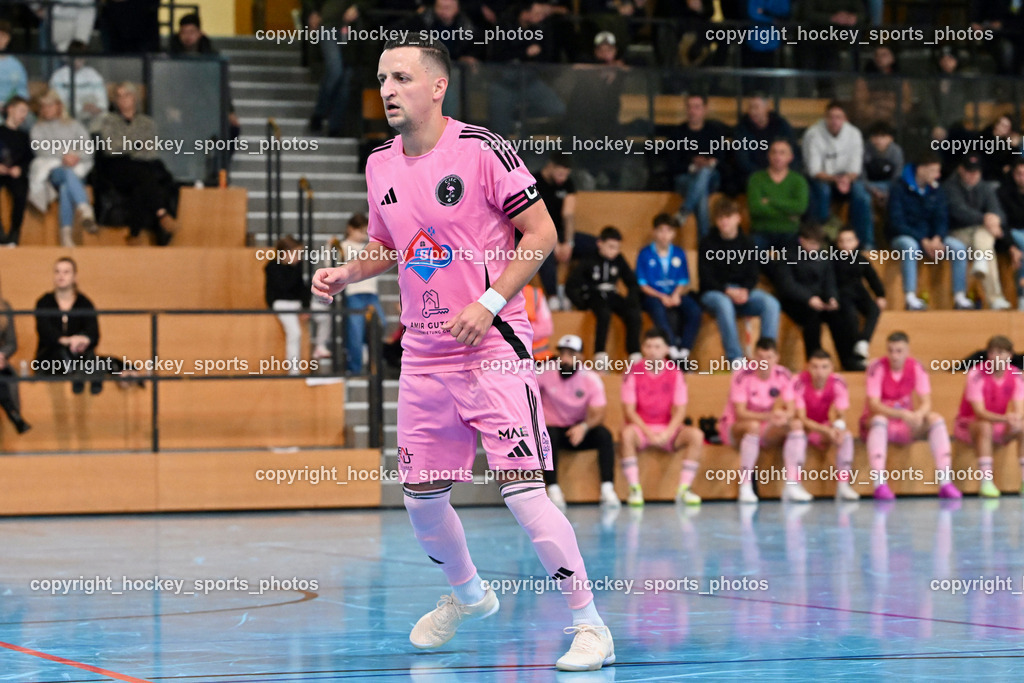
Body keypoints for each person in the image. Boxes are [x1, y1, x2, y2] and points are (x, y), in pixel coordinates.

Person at [309, 37, 614, 671]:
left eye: (401, 77)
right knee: (420, 499)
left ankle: (589, 624)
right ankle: (468, 596)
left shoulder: (481, 150)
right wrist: (349, 272)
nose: (388, 89)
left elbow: (544, 234)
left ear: (437, 86)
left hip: (491, 349)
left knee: (525, 493)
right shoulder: (378, 164)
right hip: (423, 355)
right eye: (381, 78)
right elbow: (389, 246)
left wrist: (492, 302)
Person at [861, 331, 962, 500]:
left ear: (908, 350)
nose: (894, 355)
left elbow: (926, 401)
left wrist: (919, 415)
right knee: (879, 420)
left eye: (899, 351)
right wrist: (900, 413)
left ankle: (945, 482)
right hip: (880, 422)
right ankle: (879, 483)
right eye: (891, 350)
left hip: (905, 424)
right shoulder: (876, 367)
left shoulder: (916, 366)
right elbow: (874, 404)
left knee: (935, 419)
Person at [719, 337, 811, 503]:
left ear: (777, 358)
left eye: (768, 357)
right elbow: (741, 413)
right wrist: (769, 416)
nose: (764, 362)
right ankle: (745, 486)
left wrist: (783, 416)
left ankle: (792, 484)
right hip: (735, 427)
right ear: (754, 357)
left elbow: (791, 408)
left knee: (796, 425)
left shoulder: (783, 374)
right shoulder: (741, 375)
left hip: (766, 427)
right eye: (760, 357)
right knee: (753, 426)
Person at [620, 328, 703, 507]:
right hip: (641, 429)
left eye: (657, 346)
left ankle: (684, 489)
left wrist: (667, 433)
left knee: (696, 436)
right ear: (642, 348)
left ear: (666, 349)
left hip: (667, 428)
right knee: (626, 434)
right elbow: (629, 411)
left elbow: (680, 410)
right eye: (648, 346)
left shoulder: (675, 373)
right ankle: (634, 489)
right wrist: (648, 433)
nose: (652, 351)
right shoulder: (633, 372)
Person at [537, 334, 619, 511]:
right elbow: (526, 392)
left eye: (571, 354)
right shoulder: (546, 371)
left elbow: (599, 413)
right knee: (547, 435)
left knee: (604, 435)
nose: (566, 359)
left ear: (581, 357)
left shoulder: (590, 379)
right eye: (563, 353)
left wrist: (583, 427)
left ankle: (607, 489)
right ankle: (553, 488)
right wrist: (539, 420)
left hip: (578, 430)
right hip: (553, 431)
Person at [92, 82, 179, 245]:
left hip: (142, 166)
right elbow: (111, 148)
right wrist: (137, 145)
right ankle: (162, 214)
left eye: (127, 95)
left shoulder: (147, 123)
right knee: (144, 175)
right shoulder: (109, 121)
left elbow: (151, 151)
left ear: (135, 98)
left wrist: (128, 146)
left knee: (142, 183)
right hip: (116, 166)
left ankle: (134, 234)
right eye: (119, 96)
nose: (123, 99)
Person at [767, 222, 860, 370]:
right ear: (802, 240)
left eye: (817, 244)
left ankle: (848, 360)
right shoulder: (788, 255)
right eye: (811, 244)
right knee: (812, 319)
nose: (815, 248)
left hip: (819, 299)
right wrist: (808, 298)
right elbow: (787, 285)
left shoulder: (823, 256)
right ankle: (814, 362)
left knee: (838, 316)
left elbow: (830, 282)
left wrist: (832, 298)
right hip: (795, 301)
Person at [698, 198, 780, 363]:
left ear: (738, 218)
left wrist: (746, 290)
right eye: (720, 218)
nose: (724, 221)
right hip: (715, 293)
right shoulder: (707, 243)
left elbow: (753, 273)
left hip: (742, 292)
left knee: (770, 303)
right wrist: (727, 291)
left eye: (728, 217)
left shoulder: (748, 242)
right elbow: (706, 278)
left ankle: (766, 353)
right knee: (723, 303)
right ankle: (735, 358)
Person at [888, 153, 972, 311]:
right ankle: (910, 296)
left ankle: (960, 296)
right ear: (921, 169)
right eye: (934, 170)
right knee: (910, 247)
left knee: (958, 248)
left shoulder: (936, 189)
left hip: (932, 238)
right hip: (905, 236)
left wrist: (937, 238)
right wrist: (922, 240)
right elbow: (896, 222)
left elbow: (942, 217)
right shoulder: (899, 187)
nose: (937, 175)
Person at [953, 335, 1024, 498]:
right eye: (992, 353)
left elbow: (1019, 408)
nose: (995, 357)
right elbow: (979, 412)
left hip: (997, 423)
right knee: (984, 425)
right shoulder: (975, 374)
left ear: (1010, 356)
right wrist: (1007, 418)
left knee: (1022, 426)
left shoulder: (1017, 375)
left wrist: (1015, 418)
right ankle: (986, 482)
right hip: (968, 424)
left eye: (1000, 353)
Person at [802, 102, 875, 248]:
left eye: (838, 117)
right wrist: (835, 179)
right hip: (821, 178)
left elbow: (855, 169)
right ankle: (820, 241)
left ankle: (864, 243)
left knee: (862, 196)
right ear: (825, 118)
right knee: (823, 192)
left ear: (845, 119)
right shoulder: (813, 133)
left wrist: (845, 179)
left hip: (847, 178)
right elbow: (814, 170)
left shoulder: (854, 134)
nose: (834, 121)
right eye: (831, 117)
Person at [944, 153, 1012, 310]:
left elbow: (998, 212)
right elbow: (958, 212)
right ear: (961, 170)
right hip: (957, 232)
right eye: (969, 171)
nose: (972, 175)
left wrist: (994, 220)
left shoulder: (985, 187)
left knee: (986, 241)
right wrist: (986, 218)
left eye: (975, 172)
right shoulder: (950, 186)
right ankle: (995, 297)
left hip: (980, 233)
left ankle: (981, 259)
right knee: (987, 244)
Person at [28, 89, 95, 249]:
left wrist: (76, 155)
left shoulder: (74, 125)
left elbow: (88, 147)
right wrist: (64, 156)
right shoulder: (38, 128)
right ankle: (84, 208)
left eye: (49, 105)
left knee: (66, 187)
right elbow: (40, 150)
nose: (46, 110)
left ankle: (66, 236)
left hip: (77, 166)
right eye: (43, 106)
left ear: (58, 106)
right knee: (65, 173)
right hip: (54, 170)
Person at [566, 226, 642, 364]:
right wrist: (581, 303)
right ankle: (600, 354)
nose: (614, 251)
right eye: (611, 247)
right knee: (603, 313)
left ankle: (634, 353)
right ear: (600, 243)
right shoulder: (589, 258)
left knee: (633, 313)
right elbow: (571, 284)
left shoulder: (618, 259)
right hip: (594, 295)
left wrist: (631, 299)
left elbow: (632, 282)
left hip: (612, 294)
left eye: (617, 248)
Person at [793, 350, 859, 500]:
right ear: (807, 367)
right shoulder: (799, 382)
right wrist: (826, 430)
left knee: (845, 436)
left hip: (821, 427)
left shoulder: (838, 382)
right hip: (804, 429)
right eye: (815, 367)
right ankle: (794, 483)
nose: (819, 372)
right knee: (796, 429)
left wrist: (838, 428)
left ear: (831, 368)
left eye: (824, 367)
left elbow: (841, 413)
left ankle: (843, 484)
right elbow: (801, 418)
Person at [533, 152, 596, 310]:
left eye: (566, 174)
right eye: (560, 173)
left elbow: (568, 215)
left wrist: (569, 243)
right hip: (536, 233)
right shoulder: (533, 182)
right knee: (543, 250)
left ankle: (571, 289)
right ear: (550, 166)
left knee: (598, 246)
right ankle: (553, 295)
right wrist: (554, 245)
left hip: (560, 232)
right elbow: (536, 217)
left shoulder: (567, 184)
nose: (563, 178)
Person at [635, 213, 701, 363]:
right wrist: (661, 296)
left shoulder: (679, 253)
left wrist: (676, 294)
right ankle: (671, 348)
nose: (664, 235)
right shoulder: (644, 254)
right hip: (653, 296)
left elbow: (683, 280)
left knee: (694, 310)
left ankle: (684, 350)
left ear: (673, 233)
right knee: (657, 310)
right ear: (654, 232)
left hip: (674, 294)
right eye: (661, 230)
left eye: (668, 231)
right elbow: (643, 284)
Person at [665, 94, 733, 239]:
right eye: (689, 107)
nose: (692, 111)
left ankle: (684, 211)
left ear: (705, 110)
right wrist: (693, 166)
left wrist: (708, 163)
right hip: (685, 178)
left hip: (711, 177)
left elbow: (721, 159)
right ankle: (705, 242)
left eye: (697, 107)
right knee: (701, 193)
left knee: (704, 173)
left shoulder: (714, 132)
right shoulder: (677, 133)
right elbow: (672, 165)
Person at [34, 257, 102, 395]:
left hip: (78, 354)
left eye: (66, 272)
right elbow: (45, 331)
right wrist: (68, 341)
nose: (61, 276)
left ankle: (83, 372)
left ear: (75, 277)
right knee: (65, 352)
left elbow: (94, 332)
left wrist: (83, 339)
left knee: (91, 354)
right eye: (57, 272)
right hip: (49, 359)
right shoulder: (44, 302)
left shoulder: (84, 303)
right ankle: (83, 373)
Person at [265, 236, 329, 376]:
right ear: (285, 253)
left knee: (324, 313)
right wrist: (293, 269)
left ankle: (320, 345)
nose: (299, 257)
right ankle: (293, 371)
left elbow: (302, 289)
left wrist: (305, 307)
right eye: (296, 253)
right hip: (281, 303)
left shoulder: (297, 266)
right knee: (295, 333)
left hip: (296, 302)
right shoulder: (272, 267)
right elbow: (283, 288)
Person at [339, 213, 384, 373]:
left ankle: (374, 364)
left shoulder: (370, 246)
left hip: (371, 293)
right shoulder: (341, 246)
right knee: (355, 331)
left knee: (380, 325)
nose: (364, 235)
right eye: (361, 231)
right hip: (354, 293)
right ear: (350, 229)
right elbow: (333, 267)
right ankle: (355, 367)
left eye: (366, 231)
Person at [833, 226, 886, 362]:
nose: (845, 245)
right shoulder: (832, 260)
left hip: (859, 292)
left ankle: (863, 342)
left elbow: (872, 277)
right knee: (851, 317)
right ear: (837, 243)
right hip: (842, 294)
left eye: (849, 240)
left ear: (856, 242)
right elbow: (828, 280)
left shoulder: (861, 258)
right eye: (842, 241)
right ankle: (855, 354)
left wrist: (880, 295)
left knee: (874, 310)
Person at [746, 138, 809, 251]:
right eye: (774, 152)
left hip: (789, 233)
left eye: (782, 152)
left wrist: (770, 201)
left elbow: (800, 208)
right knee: (750, 251)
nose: (777, 156)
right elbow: (755, 209)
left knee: (795, 257)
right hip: (761, 232)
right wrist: (787, 215)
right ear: (768, 156)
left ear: (790, 157)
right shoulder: (756, 178)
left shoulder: (798, 180)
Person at [733, 94, 798, 183]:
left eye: (756, 107)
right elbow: (743, 161)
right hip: (754, 176)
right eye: (750, 108)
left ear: (767, 108)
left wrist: (782, 173)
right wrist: (767, 175)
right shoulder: (742, 129)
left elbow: (793, 151)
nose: (753, 112)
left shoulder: (780, 125)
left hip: (782, 174)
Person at [48, 41, 109, 130]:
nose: (79, 60)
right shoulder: (58, 76)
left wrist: (97, 108)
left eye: (82, 57)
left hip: (91, 116)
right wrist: (81, 107)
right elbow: (58, 103)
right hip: (68, 116)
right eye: (76, 56)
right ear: (69, 57)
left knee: (104, 118)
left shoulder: (93, 75)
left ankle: (93, 141)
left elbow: (103, 102)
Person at [0, 95, 32, 246]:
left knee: (20, 193)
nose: (24, 115)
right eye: (21, 110)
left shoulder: (24, 136)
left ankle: (14, 233)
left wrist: (20, 169)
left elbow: (29, 158)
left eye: (26, 111)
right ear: (10, 110)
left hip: (16, 174)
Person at [0, 274, 29, 433]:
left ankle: (14, 413)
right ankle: (13, 414)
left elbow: (12, 343)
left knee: (7, 375)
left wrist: (1, 355)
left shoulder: (4, 308)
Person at [996, 158, 1024, 311]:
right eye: (1019, 174)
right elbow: (1002, 224)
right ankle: (1022, 296)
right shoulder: (1004, 193)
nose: (1023, 177)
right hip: (1009, 236)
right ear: (1013, 175)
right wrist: (1011, 246)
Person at [862, 121, 903, 205]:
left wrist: (888, 191)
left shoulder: (896, 151)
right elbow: (861, 175)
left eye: (883, 136)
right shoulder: (864, 150)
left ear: (891, 138)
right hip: (869, 185)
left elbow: (897, 176)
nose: (878, 140)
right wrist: (873, 190)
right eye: (875, 136)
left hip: (889, 185)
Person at [522, 283, 553, 361]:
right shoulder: (495, 291)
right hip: (508, 357)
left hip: (539, 358)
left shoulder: (534, 293)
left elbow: (546, 328)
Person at [0, 21, 28, 103]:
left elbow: (22, 92)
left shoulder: (16, 65)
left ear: (8, 39)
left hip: (10, 109)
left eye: (3, 36)